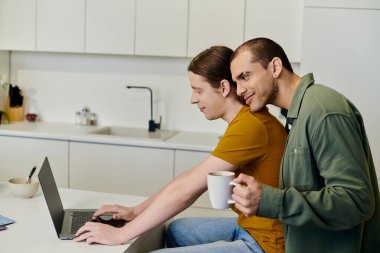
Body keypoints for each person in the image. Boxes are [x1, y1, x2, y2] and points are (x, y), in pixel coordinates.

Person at [74, 46, 288, 253]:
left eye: (198, 90)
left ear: (223, 88)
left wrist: (120, 235)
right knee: (176, 231)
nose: (193, 99)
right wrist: (136, 211)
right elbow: (190, 178)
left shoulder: (251, 125)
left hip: (265, 244)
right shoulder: (246, 121)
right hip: (250, 226)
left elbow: (187, 191)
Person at [229, 37, 380, 253]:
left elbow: (356, 201)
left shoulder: (323, 110)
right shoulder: (297, 115)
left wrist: (272, 200)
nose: (240, 90)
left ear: (275, 67)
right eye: (236, 82)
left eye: (245, 77)